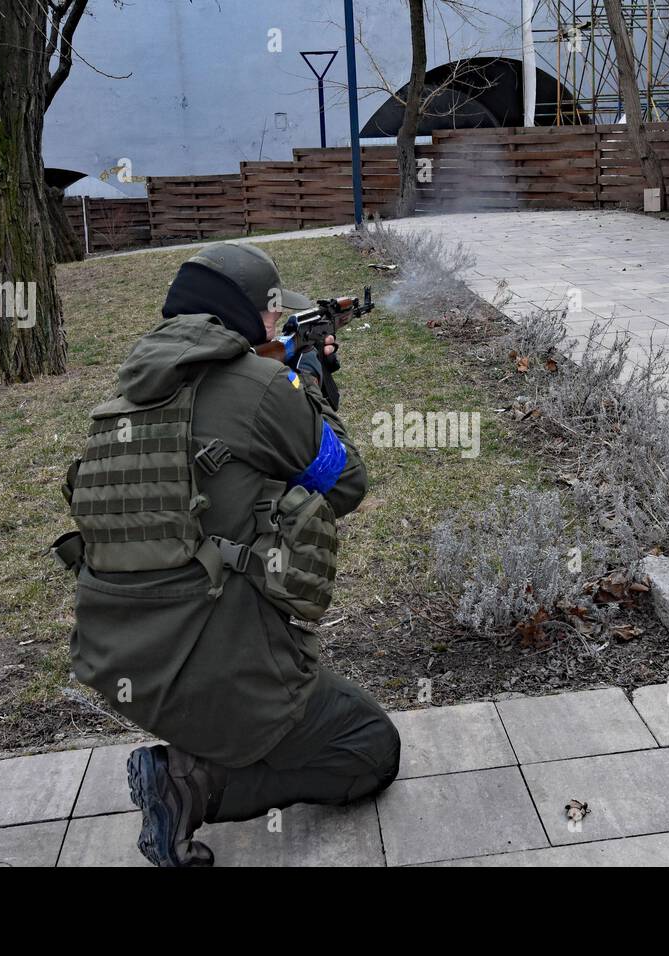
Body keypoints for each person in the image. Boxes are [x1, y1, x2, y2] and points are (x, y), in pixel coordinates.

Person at [58, 241, 400, 867]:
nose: (276, 328)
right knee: (369, 748)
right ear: (246, 312)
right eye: (273, 316)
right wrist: (312, 388)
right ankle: (190, 786)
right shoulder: (265, 385)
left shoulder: (120, 399)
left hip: (124, 665)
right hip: (219, 664)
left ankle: (200, 753)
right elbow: (345, 482)